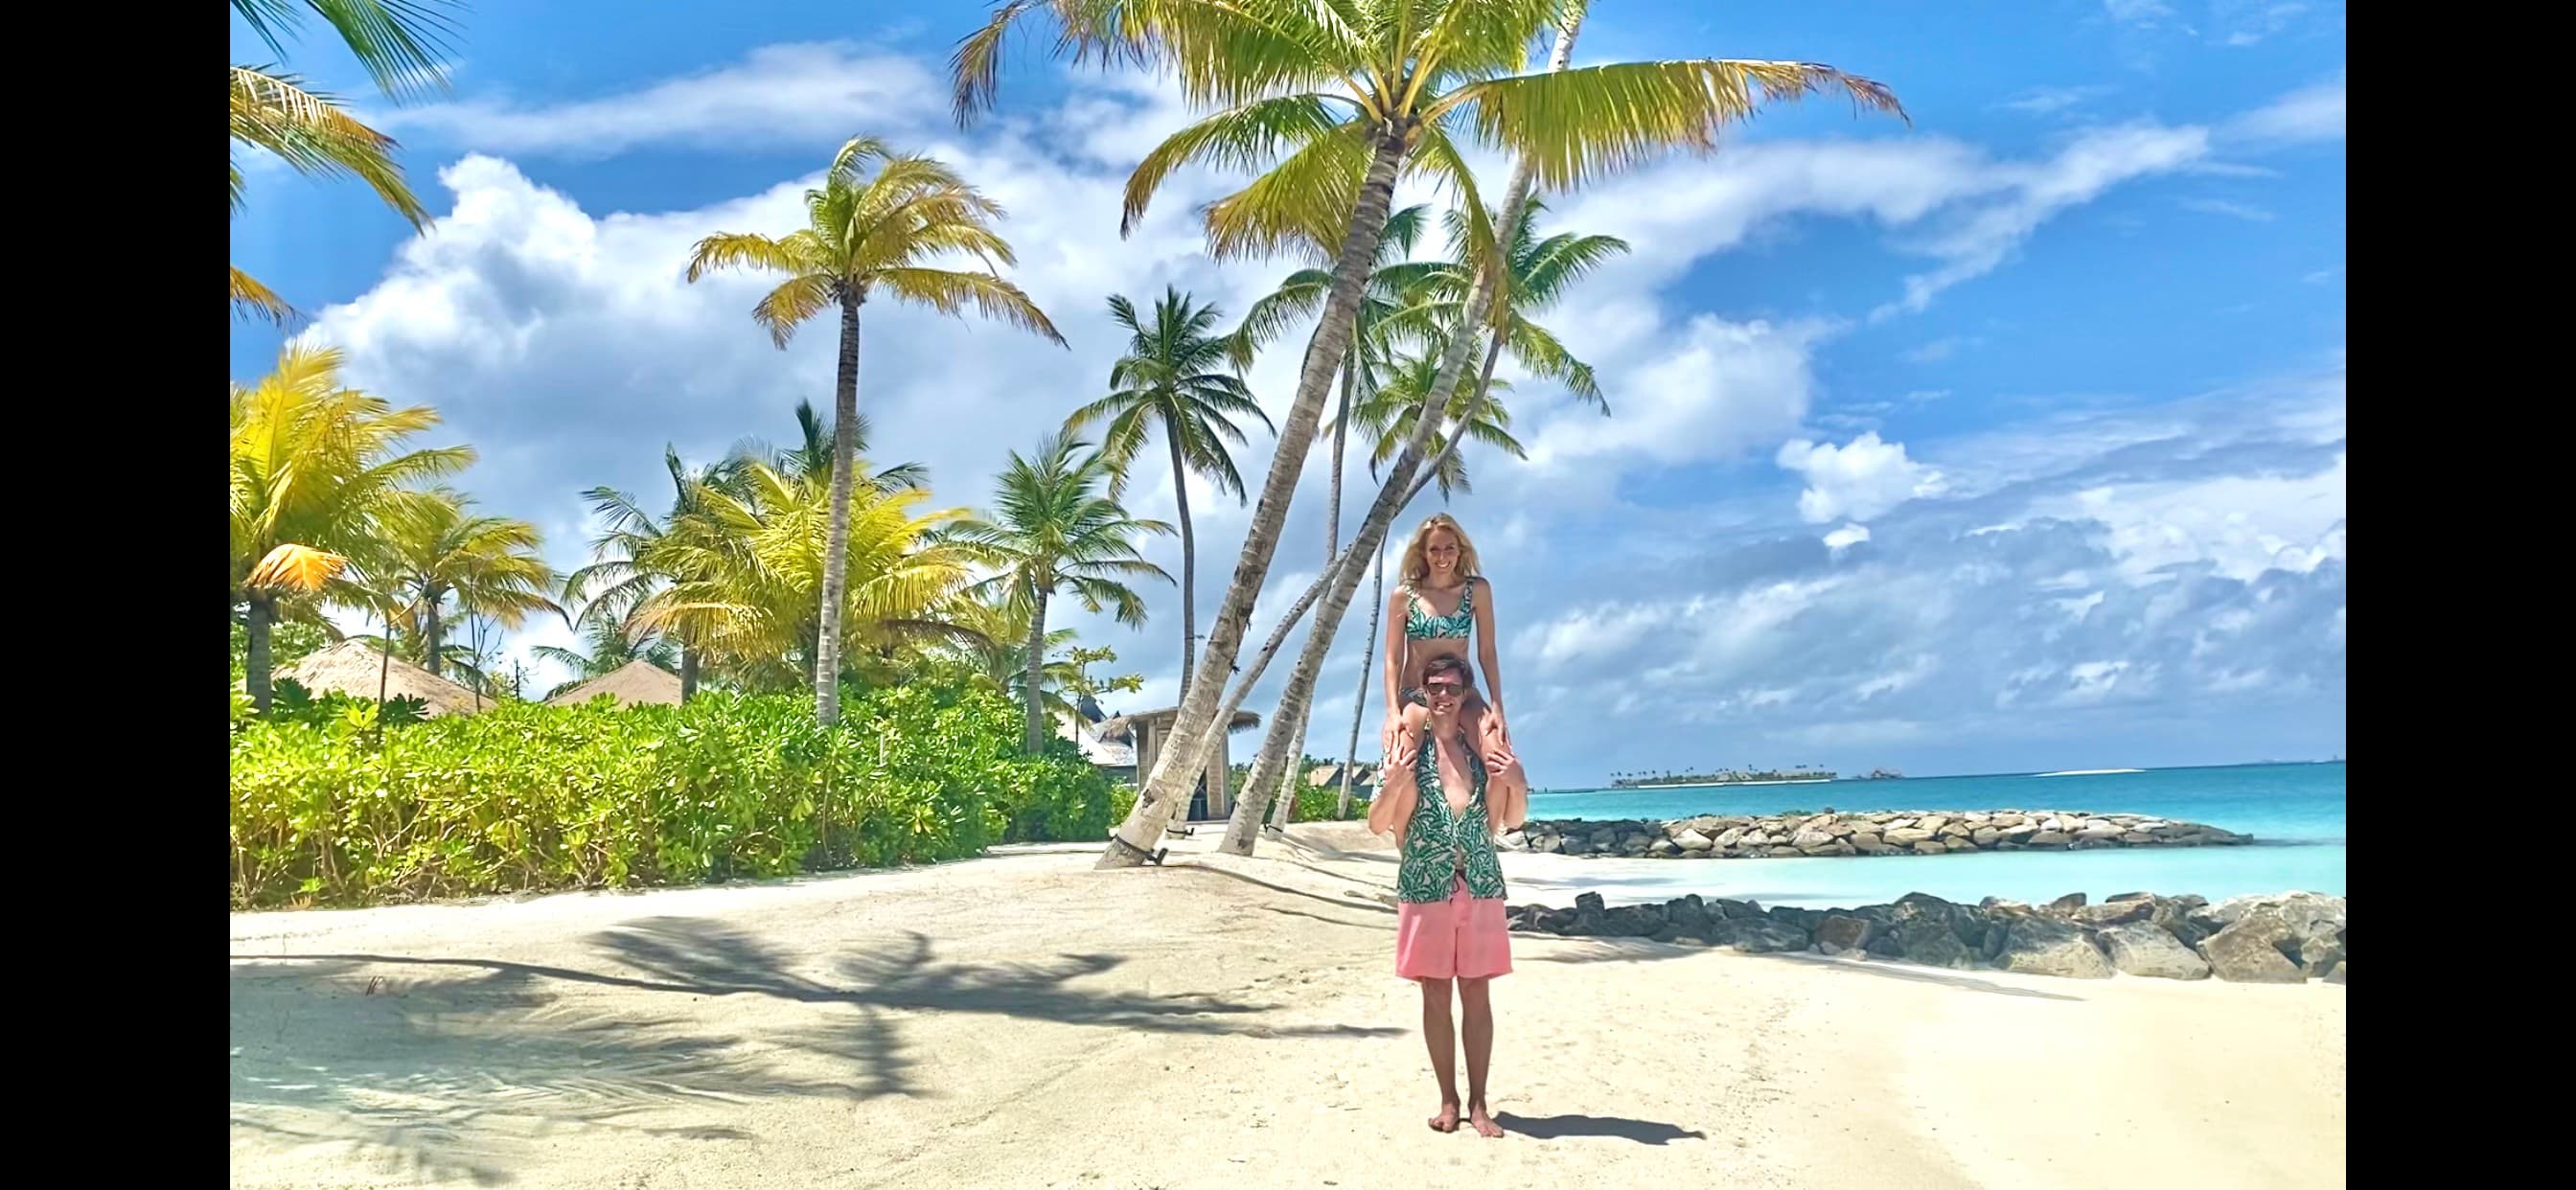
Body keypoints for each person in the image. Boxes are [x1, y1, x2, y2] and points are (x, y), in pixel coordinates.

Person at [1368, 654, 1529, 1138]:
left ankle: (1480, 1104)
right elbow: (1377, 823)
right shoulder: (1406, 754)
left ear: (1464, 697)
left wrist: (1517, 781)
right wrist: (1393, 783)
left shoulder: (1482, 755)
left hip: (1478, 884)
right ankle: (1448, 1100)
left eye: (1452, 689)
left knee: (1476, 995)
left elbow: (1512, 820)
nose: (1443, 696)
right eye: (1434, 686)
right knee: (1435, 995)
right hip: (1424, 886)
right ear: (1423, 690)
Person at [1381, 514, 1509, 761]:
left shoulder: (1477, 591)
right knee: (1397, 763)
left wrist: (1497, 706)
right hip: (1415, 696)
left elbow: (1487, 653)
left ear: (1460, 551)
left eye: (1449, 548)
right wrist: (1393, 712)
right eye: (1434, 550)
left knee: (1500, 756)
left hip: (1462, 693)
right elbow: (1392, 659)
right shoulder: (1404, 596)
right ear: (1424, 553)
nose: (1442, 557)